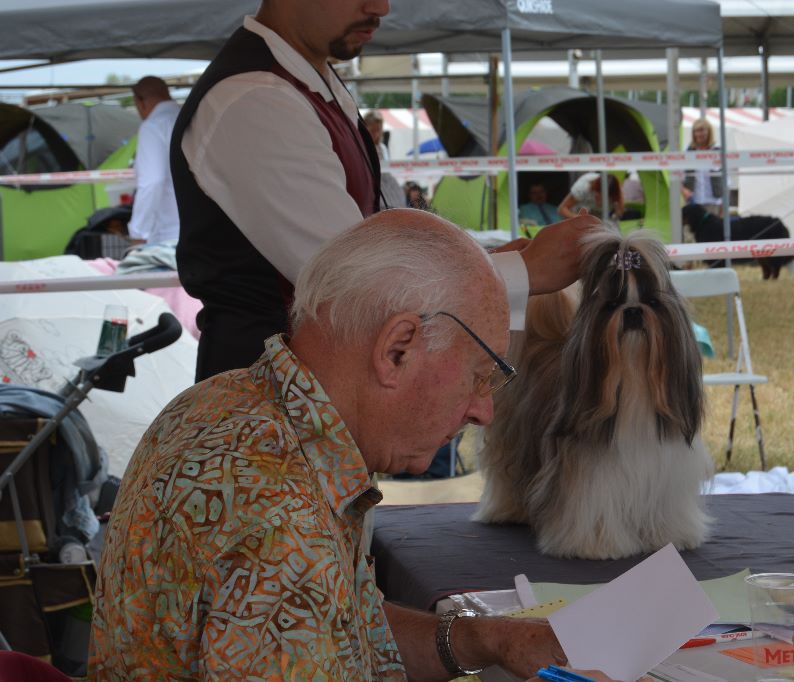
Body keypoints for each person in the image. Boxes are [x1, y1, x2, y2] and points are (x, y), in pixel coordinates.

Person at [90, 209, 616, 681]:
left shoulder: (227, 402)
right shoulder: (281, 523)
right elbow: (296, 588)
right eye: (481, 376)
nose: (485, 410)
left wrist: (490, 639)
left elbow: (341, 626)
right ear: (397, 349)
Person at [171, 0, 597, 382]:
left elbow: (375, 242)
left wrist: (484, 268)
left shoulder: (306, 81)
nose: (382, 7)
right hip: (262, 409)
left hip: (304, 397)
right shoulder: (253, 101)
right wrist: (524, 271)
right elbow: (360, 283)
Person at [127, 76, 180, 245]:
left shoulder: (153, 126)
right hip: (201, 226)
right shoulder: (190, 117)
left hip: (168, 233)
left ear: (140, 101)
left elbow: (152, 181)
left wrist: (138, 232)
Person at [363, 108, 406, 209]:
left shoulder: (382, 148)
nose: (376, 134)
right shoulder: (362, 146)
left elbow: (387, 168)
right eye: (372, 130)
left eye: (378, 130)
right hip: (371, 182)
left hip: (386, 182)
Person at [682, 118, 723, 217]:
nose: (700, 134)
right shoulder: (688, 152)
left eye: (703, 130)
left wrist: (724, 203)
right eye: (697, 130)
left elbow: (726, 179)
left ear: (709, 132)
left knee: (713, 232)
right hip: (694, 200)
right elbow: (677, 175)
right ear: (693, 133)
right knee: (691, 231)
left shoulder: (718, 150)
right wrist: (683, 190)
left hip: (714, 201)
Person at [558, 172, 624, 221]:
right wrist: (578, 219)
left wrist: (613, 217)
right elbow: (562, 209)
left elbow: (619, 213)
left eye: (606, 197)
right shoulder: (582, 187)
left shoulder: (616, 191)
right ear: (594, 187)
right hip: (577, 217)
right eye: (598, 194)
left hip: (601, 220)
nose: (600, 199)